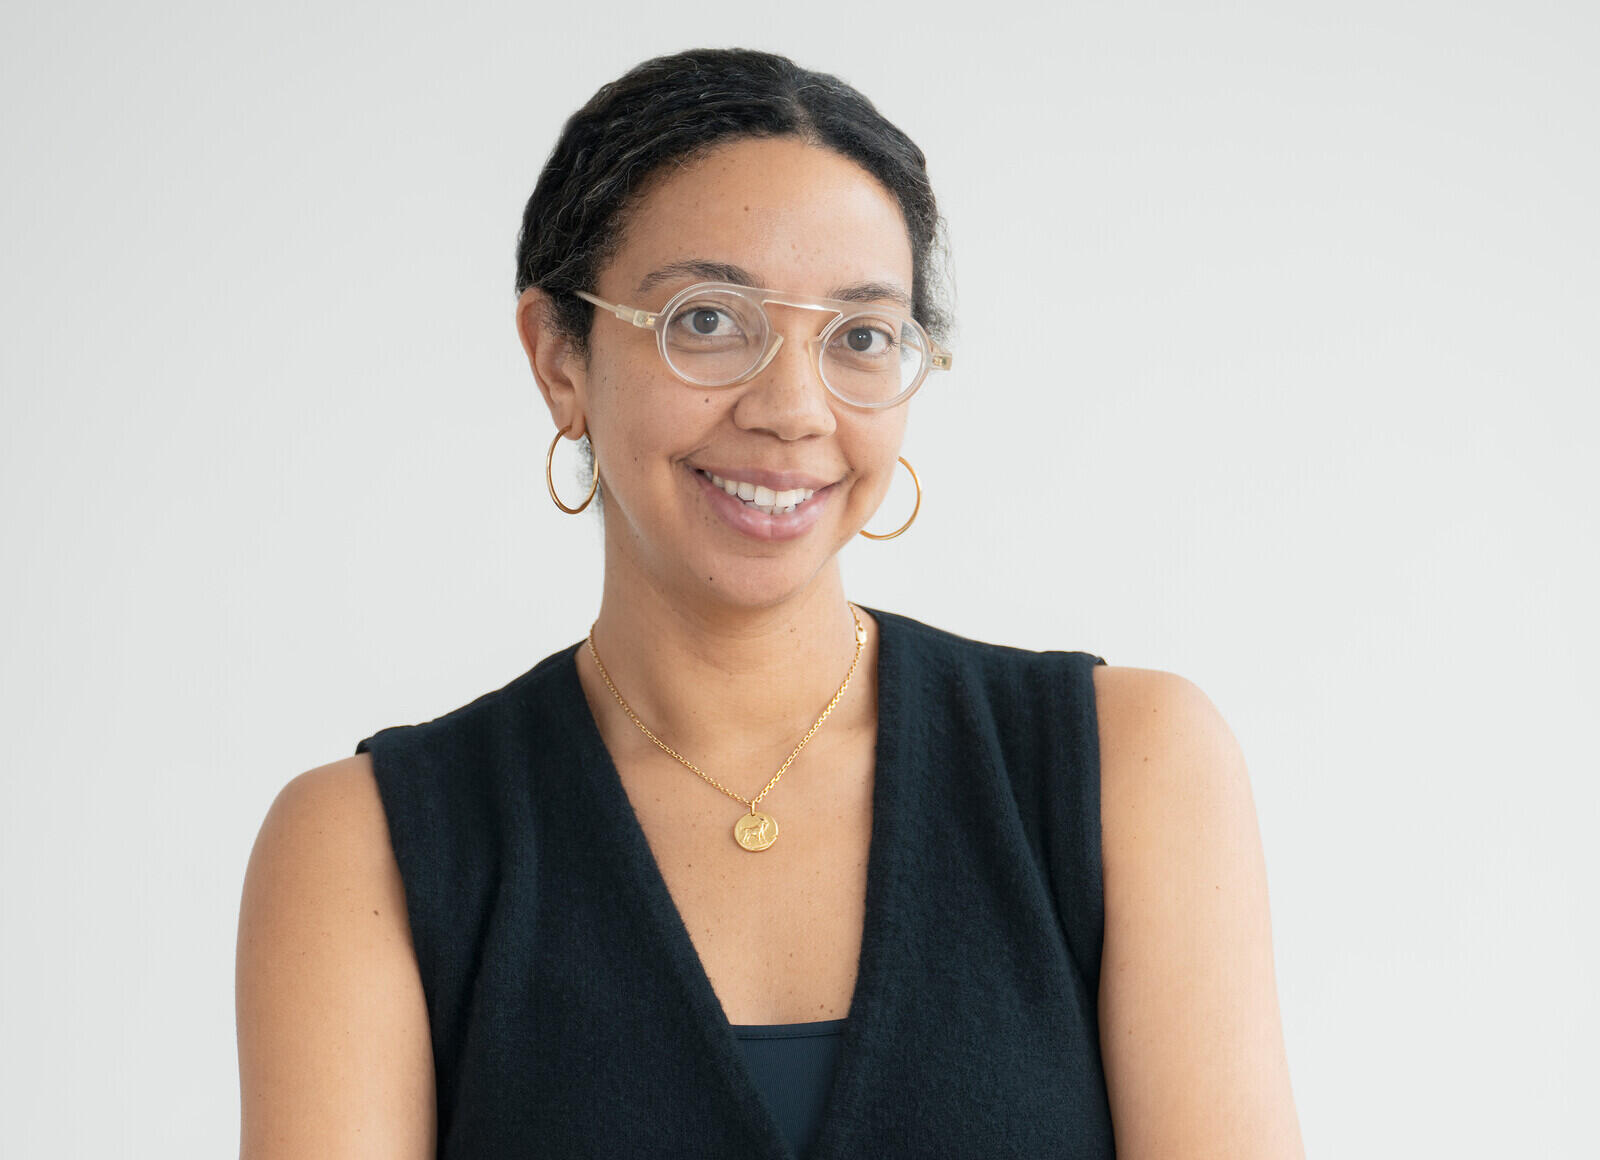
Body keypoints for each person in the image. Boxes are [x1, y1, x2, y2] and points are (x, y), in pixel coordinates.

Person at [235, 48, 1305, 1159]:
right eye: (707, 319)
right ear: (559, 356)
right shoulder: (369, 843)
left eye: (858, 337)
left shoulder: (1126, 764)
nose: (794, 409)